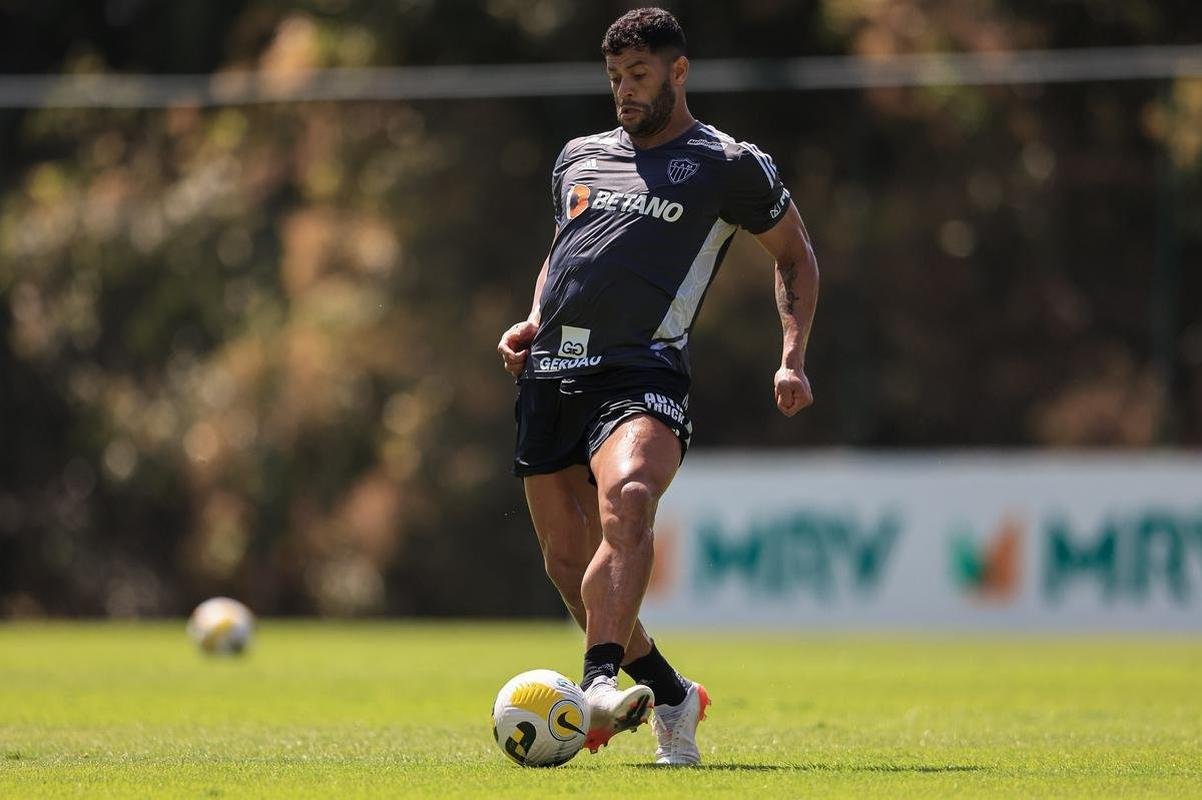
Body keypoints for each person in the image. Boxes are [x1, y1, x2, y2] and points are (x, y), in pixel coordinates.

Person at [496, 7, 818, 766]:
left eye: (639, 75)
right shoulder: (579, 157)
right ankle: (672, 696)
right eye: (614, 78)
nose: (624, 91)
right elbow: (563, 253)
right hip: (554, 373)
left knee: (631, 497)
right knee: (568, 563)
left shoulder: (728, 164)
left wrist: (792, 354)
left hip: (644, 370)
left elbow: (796, 255)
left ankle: (597, 682)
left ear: (679, 72)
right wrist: (535, 318)